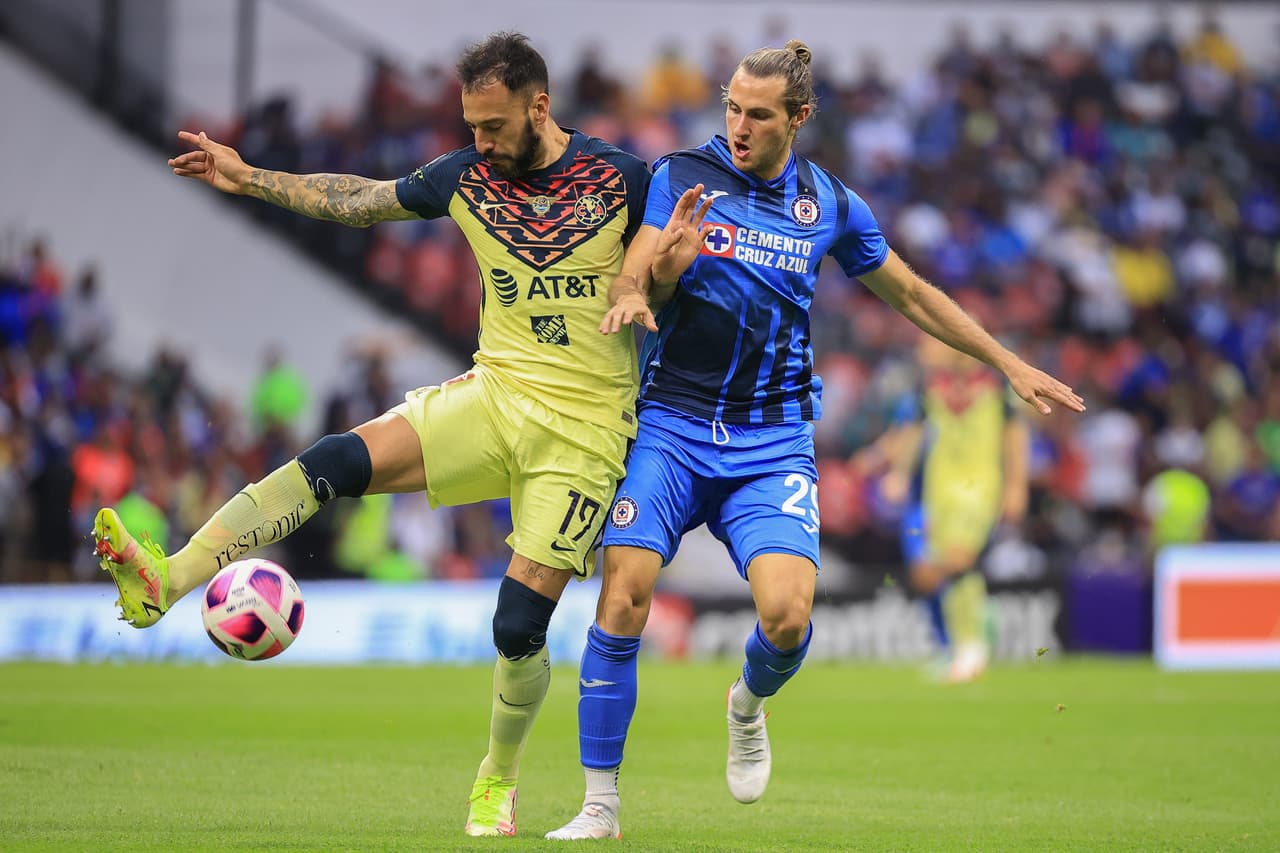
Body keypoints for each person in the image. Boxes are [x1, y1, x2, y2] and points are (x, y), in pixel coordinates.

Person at [91, 31, 684, 839]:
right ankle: (167, 579)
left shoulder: (623, 180)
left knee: (516, 626)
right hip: (496, 395)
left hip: (585, 435)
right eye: (470, 124)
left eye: (494, 125)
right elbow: (361, 199)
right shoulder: (464, 179)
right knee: (335, 457)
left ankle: (496, 778)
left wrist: (664, 281)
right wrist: (248, 177)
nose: (478, 141)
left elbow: (672, 269)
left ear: (539, 107)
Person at [546, 40, 1084, 840]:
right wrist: (651, 280)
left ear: (797, 118)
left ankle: (748, 704)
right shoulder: (682, 176)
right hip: (672, 423)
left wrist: (1005, 360)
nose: (737, 124)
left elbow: (910, 293)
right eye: (730, 105)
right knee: (622, 594)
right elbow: (633, 274)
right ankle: (599, 806)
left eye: (757, 114)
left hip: (770, 441)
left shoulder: (829, 204)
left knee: (789, 616)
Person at [869, 334, 1030, 683]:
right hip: (939, 491)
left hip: (980, 486)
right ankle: (963, 647)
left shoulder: (997, 386)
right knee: (944, 567)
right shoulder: (930, 388)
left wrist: (1017, 485)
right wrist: (899, 474)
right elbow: (912, 433)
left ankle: (972, 646)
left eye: (933, 340)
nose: (925, 348)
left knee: (959, 558)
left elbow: (1015, 436)